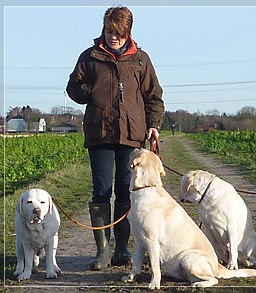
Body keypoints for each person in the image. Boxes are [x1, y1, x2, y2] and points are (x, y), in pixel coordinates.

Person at [66, 6, 164, 271]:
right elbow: (73, 88)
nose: (113, 37)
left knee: (125, 190)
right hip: (99, 133)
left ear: (128, 32)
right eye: (110, 31)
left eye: (119, 33)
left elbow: (153, 96)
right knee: (101, 190)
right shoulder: (89, 57)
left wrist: (153, 125)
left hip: (132, 136)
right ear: (104, 29)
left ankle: (122, 248)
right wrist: (91, 91)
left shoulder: (141, 60)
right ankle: (103, 251)